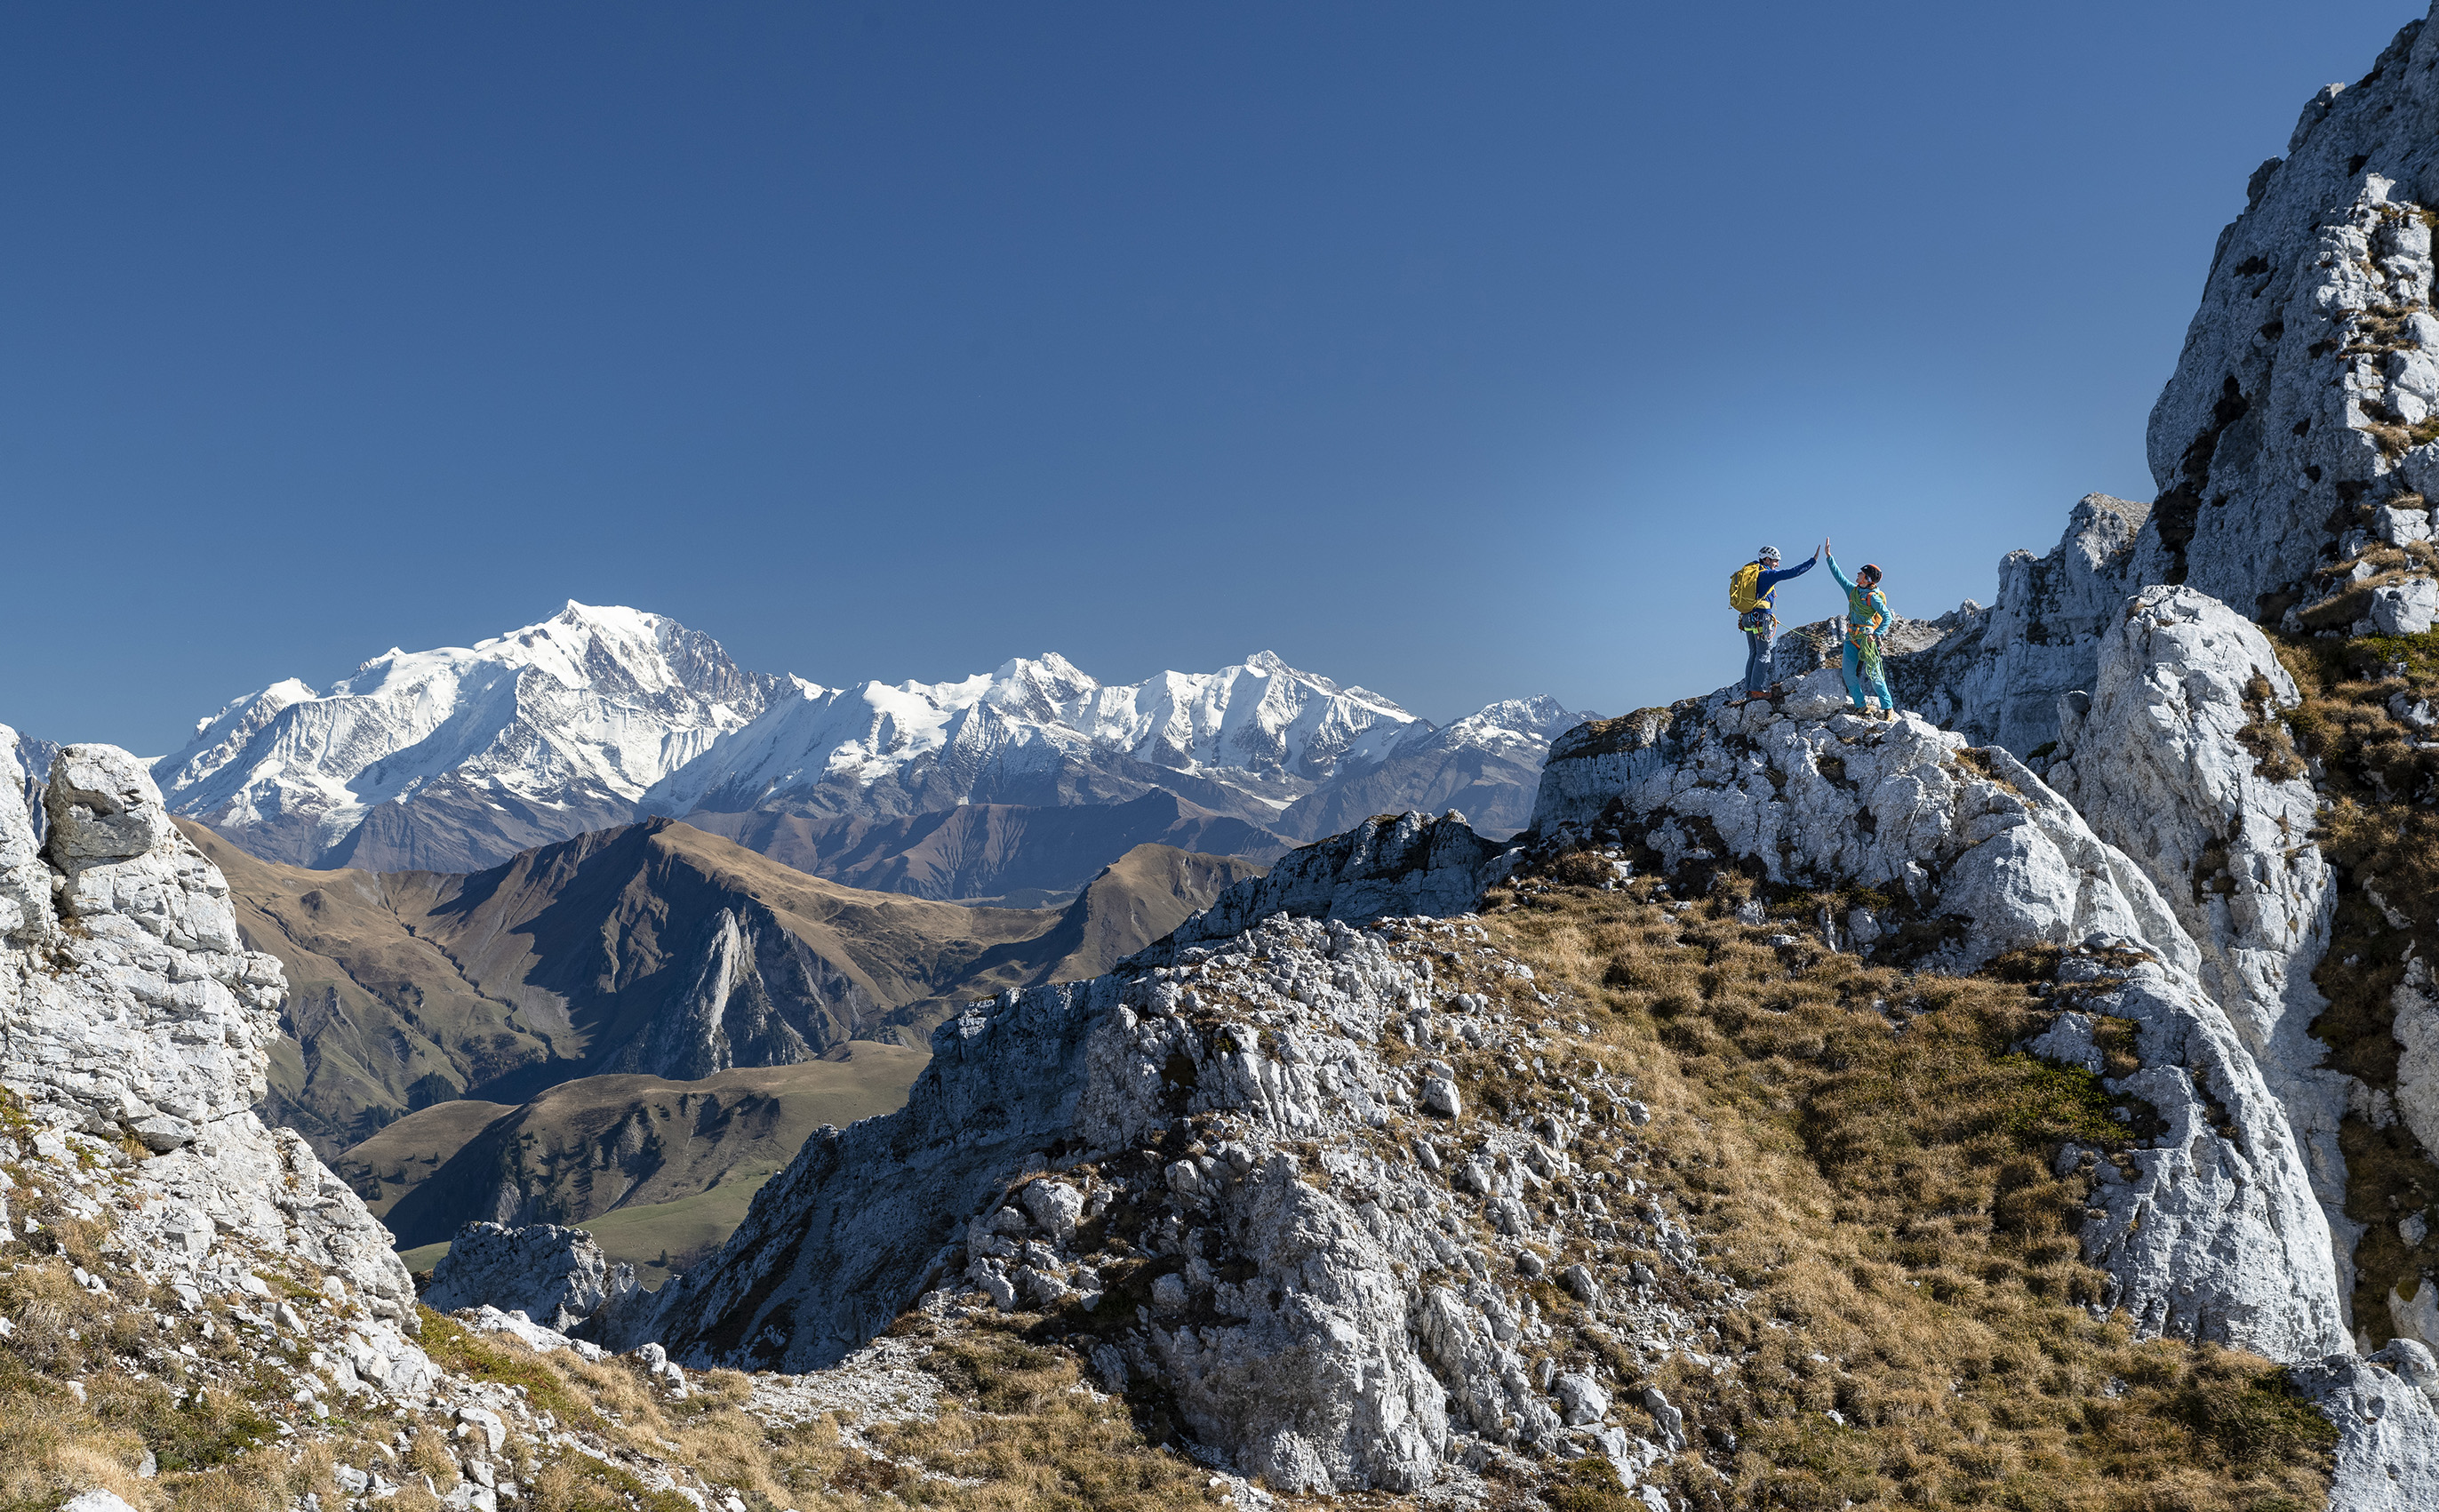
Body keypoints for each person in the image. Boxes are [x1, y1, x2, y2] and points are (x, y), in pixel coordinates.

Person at [1730, 542, 1819, 702]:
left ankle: (1750, 690)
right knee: (1763, 653)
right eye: (1775, 561)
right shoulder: (1766, 574)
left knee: (1753, 653)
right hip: (1761, 619)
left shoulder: (1752, 573)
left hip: (1748, 618)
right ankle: (1757, 690)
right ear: (1767, 559)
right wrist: (1813, 561)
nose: (1777, 565)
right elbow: (1791, 573)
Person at [1823, 538, 1894, 717]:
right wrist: (1829, 557)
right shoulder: (1853, 591)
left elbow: (1887, 616)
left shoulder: (1872, 597)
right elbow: (1839, 577)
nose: (1857, 574)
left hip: (1867, 638)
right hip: (1851, 638)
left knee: (1875, 675)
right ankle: (1861, 705)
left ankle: (1888, 708)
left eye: (1861, 573)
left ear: (1867, 578)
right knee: (1848, 674)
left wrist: (1876, 634)